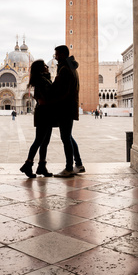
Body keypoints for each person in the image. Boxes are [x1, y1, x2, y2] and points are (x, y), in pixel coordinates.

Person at [51, 45, 85, 177]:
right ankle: (79, 164)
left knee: (65, 137)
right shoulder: (71, 67)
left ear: (63, 55)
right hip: (70, 106)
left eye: (57, 54)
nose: (55, 57)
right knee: (68, 136)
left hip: (64, 107)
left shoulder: (65, 69)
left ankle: (69, 167)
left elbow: (61, 90)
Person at [20, 60, 54, 178]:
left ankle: (41, 166)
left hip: (47, 112)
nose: (47, 66)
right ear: (40, 69)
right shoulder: (40, 81)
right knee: (39, 140)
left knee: (45, 142)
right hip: (44, 113)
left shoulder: (45, 79)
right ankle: (28, 165)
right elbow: (42, 100)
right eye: (44, 65)